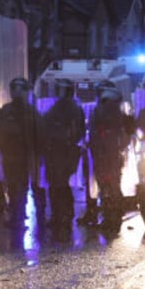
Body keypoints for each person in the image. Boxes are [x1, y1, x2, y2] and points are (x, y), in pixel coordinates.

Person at [0, 77, 43, 229]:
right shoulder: (27, 111)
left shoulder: (13, 111)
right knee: (19, 188)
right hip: (19, 157)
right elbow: (40, 134)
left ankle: (18, 217)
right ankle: (19, 217)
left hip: (17, 157)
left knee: (18, 188)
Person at [41, 78, 86, 238]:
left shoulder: (60, 108)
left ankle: (59, 216)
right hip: (65, 152)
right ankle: (64, 216)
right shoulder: (74, 108)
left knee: (57, 186)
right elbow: (80, 131)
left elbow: (45, 125)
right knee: (61, 185)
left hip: (58, 152)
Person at [88, 84, 135, 234]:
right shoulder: (119, 114)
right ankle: (114, 218)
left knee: (107, 189)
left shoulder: (100, 112)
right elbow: (129, 133)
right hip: (113, 158)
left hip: (104, 158)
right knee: (114, 188)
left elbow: (94, 136)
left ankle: (110, 219)